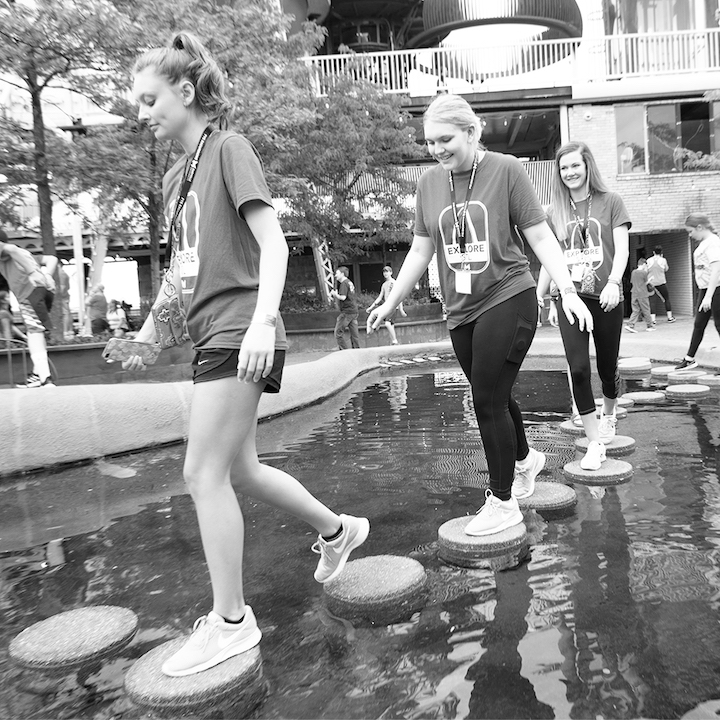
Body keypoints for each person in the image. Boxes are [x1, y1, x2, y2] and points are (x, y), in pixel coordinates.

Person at [124, 32, 369, 677]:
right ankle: (338, 531)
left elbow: (275, 243)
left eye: (150, 99)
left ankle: (233, 621)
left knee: (201, 474)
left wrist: (264, 321)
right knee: (241, 472)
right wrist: (151, 330)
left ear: (185, 91)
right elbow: (183, 272)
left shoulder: (229, 148)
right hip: (213, 330)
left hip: (241, 330)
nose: (142, 112)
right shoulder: (180, 175)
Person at [367, 94, 593, 536]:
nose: (436, 149)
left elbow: (541, 237)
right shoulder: (429, 183)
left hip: (508, 296)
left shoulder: (507, 170)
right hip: (460, 311)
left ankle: (502, 501)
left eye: (445, 139)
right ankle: (527, 460)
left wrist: (567, 290)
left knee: (485, 399)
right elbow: (420, 249)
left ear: (472, 132)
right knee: (497, 394)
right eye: (430, 141)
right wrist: (392, 302)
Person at [538, 141, 630, 472]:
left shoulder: (611, 202)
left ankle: (609, 413)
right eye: (563, 168)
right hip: (570, 297)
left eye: (575, 165)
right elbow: (550, 257)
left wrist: (615, 283)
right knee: (578, 367)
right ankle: (594, 443)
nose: (570, 173)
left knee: (607, 367)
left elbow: (621, 249)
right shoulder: (554, 211)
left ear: (587, 166)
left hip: (605, 296)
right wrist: (548, 297)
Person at [0, 230, 57, 387]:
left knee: (34, 333)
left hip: (29, 293)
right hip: (45, 292)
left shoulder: (9, 250)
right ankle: (37, 375)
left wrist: (32, 272)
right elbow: (52, 259)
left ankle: (46, 378)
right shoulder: (26, 254)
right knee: (37, 330)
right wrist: (48, 276)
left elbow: (11, 249)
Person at [675, 213, 720, 370]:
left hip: (715, 289)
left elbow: (716, 270)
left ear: (700, 227)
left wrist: (708, 296)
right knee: (699, 324)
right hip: (705, 289)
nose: (690, 235)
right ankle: (690, 358)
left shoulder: (713, 243)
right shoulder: (705, 243)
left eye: (690, 231)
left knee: (719, 325)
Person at [365, 265, 407, 344]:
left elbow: (399, 296)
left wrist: (401, 309)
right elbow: (380, 297)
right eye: (384, 272)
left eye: (387, 271)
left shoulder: (395, 283)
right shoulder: (384, 285)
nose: (385, 273)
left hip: (394, 307)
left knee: (387, 324)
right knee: (391, 325)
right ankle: (393, 342)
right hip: (386, 307)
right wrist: (371, 307)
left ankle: (395, 341)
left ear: (391, 272)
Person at [330, 266, 360, 350]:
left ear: (342, 274)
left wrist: (335, 295)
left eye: (337, 273)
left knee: (338, 332)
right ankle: (356, 350)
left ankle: (344, 350)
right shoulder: (349, 282)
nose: (335, 275)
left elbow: (343, 297)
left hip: (347, 312)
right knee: (354, 333)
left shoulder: (343, 284)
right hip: (354, 310)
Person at [645, 245, 675, 323]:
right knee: (666, 299)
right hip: (661, 282)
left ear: (653, 252)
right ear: (661, 252)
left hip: (651, 283)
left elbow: (646, 271)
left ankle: (653, 319)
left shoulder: (648, 260)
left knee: (652, 301)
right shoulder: (663, 260)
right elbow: (666, 269)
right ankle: (670, 317)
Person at [625, 257, 654, 333]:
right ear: (644, 264)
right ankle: (649, 326)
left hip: (634, 293)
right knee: (646, 309)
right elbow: (645, 283)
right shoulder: (644, 273)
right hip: (642, 293)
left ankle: (630, 324)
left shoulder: (633, 272)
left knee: (635, 310)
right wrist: (650, 279)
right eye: (646, 265)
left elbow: (632, 282)